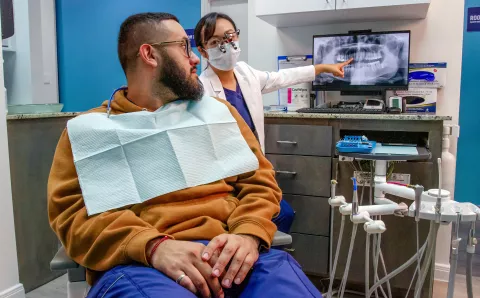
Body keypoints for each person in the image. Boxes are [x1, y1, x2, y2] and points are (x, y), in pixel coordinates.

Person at [48, 12, 322, 298]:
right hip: (142, 264)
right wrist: (153, 247)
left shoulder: (219, 114)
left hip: (234, 252)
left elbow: (261, 183)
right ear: (149, 54)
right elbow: (73, 216)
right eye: (183, 47)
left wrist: (249, 233)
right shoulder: (90, 132)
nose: (195, 59)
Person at [194, 12, 352, 234]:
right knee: (277, 216)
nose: (225, 46)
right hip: (226, 180)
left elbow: (282, 78)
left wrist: (323, 68)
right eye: (215, 42)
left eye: (229, 37)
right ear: (202, 51)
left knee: (283, 215)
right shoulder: (201, 90)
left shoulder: (245, 73)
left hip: (255, 172)